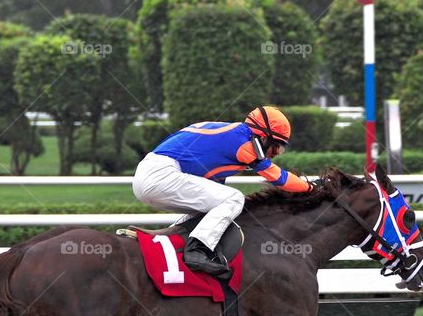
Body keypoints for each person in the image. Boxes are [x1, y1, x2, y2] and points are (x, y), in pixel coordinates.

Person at [132, 106, 312, 277]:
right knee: (234, 198)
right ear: (263, 138)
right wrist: (312, 187)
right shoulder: (244, 143)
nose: (277, 153)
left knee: (214, 207)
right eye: (277, 146)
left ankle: (173, 241)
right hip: (160, 175)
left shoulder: (233, 134)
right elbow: (279, 178)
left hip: (153, 173)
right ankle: (197, 251)